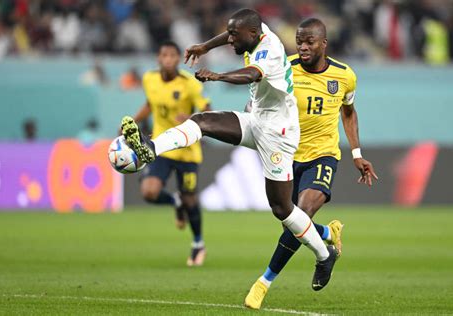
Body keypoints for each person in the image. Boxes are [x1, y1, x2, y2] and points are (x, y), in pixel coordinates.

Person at [121, 9, 338, 288]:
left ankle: (324, 254)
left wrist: (217, 76)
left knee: (282, 209)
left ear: (252, 34)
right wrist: (205, 46)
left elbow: (250, 74)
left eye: (235, 36)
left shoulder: (269, 51)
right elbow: (233, 32)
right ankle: (151, 148)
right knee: (202, 121)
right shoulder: (253, 32)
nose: (231, 40)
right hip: (256, 120)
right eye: (230, 34)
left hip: (278, 135)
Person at [244, 18, 379, 309]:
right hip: (286, 154)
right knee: (291, 219)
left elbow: (349, 112)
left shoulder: (345, 76)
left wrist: (356, 154)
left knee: (302, 211)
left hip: (323, 154)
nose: (303, 47)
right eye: (299, 41)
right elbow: (259, 101)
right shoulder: (283, 67)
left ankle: (263, 282)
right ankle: (328, 234)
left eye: (310, 42)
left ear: (324, 44)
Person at [128, 41, 211, 267]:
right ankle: (174, 201)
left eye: (172, 55)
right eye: (164, 54)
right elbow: (151, 105)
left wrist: (191, 119)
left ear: (178, 59)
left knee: (191, 199)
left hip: (187, 150)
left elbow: (207, 110)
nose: (167, 59)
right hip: (161, 146)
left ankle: (197, 243)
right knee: (149, 191)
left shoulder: (189, 84)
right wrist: (134, 121)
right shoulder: (149, 79)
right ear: (158, 58)